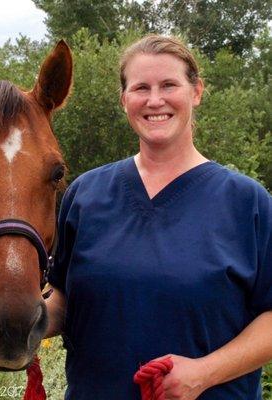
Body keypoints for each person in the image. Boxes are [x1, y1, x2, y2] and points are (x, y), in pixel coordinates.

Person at [45, 34, 272, 399]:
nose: (155, 100)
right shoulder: (85, 195)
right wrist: (20, 322)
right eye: (140, 88)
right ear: (124, 100)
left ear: (196, 91)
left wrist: (203, 374)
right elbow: (63, 300)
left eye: (169, 85)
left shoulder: (247, 202)